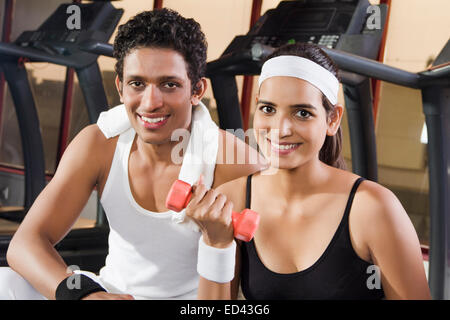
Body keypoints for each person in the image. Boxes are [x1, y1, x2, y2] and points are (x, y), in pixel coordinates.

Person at [1, 8, 265, 300]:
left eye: (169, 84)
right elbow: (25, 243)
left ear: (197, 90)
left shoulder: (235, 162)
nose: (150, 103)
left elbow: (234, 293)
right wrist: (86, 296)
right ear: (120, 87)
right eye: (137, 83)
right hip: (110, 293)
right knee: (5, 281)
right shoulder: (99, 143)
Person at [199, 42, 431, 299]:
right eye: (268, 109)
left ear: (332, 119)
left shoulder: (373, 208)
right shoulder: (234, 198)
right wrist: (216, 244)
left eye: (302, 113)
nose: (281, 128)